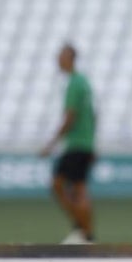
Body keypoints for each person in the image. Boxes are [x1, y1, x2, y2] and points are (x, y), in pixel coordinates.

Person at [40, 43, 98, 244]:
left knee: (59, 185)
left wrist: (51, 144)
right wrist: (93, 142)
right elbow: (93, 115)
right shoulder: (83, 82)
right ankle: (85, 232)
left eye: (61, 56)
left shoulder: (74, 83)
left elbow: (70, 117)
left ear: (69, 58)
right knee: (79, 188)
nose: (58, 59)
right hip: (85, 143)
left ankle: (82, 231)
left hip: (76, 144)